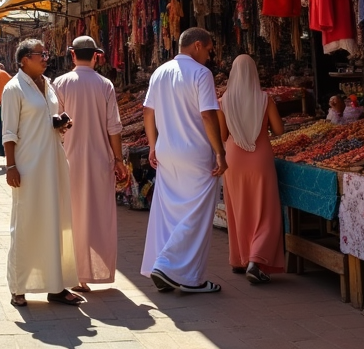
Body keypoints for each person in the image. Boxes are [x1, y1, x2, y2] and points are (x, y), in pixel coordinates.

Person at [141, 27, 227, 295]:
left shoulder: (160, 72)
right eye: (210, 49)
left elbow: (148, 111)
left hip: (167, 149)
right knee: (197, 213)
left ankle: (165, 267)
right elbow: (207, 115)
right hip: (195, 151)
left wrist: (153, 145)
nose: (210, 56)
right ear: (198, 46)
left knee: (170, 211)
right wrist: (220, 151)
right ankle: (181, 273)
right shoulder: (201, 73)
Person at [3, 39, 80, 307]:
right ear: (24, 59)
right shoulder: (13, 89)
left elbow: (44, 120)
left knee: (55, 221)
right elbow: (10, 131)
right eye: (40, 54)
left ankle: (55, 285)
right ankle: (19, 286)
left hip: (53, 160)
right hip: (28, 165)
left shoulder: (48, 84)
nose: (46, 58)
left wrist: (59, 124)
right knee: (26, 223)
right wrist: (11, 166)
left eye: (46, 53)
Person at [53, 36, 128, 292]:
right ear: (96, 55)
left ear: (72, 54)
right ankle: (92, 271)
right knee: (99, 216)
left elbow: (55, 124)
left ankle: (74, 273)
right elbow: (114, 127)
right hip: (99, 160)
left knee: (72, 215)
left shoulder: (60, 83)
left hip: (69, 159)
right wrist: (119, 160)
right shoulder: (105, 84)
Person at [217, 54, 285, 284]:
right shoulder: (265, 99)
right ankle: (256, 259)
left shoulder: (224, 101)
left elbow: (223, 136)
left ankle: (239, 259)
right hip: (261, 158)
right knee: (266, 210)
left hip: (234, 159)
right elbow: (278, 130)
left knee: (239, 208)